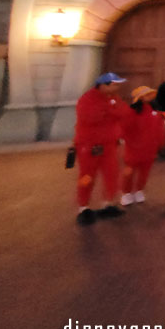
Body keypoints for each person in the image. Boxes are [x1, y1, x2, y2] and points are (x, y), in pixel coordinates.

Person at [73, 72, 132, 225]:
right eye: (115, 84)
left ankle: (107, 203)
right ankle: (83, 207)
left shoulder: (113, 98)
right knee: (87, 176)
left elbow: (125, 112)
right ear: (103, 85)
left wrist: (110, 112)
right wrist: (112, 111)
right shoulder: (87, 99)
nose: (118, 87)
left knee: (111, 174)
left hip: (109, 144)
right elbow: (91, 118)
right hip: (89, 145)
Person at [120, 86, 165, 205]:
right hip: (133, 148)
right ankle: (126, 192)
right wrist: (130, 141)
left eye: (151, 94)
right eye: (147, 94)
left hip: (150, 148)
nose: (150, 97)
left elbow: (160, 128)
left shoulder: (155, 112)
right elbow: (125, 129)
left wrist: (161, 142)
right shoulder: (131, 112)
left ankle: (139, 190)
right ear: (140, 97)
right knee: (129, 172)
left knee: (144, 172)